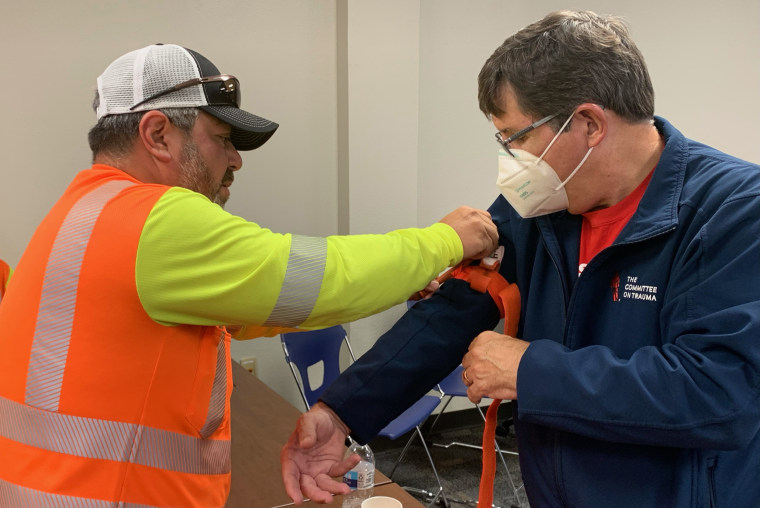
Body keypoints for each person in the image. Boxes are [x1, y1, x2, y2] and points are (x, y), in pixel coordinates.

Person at [281, 10, 760, 508]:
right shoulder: (541, 205)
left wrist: (531, 371)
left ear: (590, 123)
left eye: (516, 138)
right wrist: (340, 412)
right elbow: (453, 313)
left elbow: (720, 393)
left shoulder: (733, 211)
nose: (512, 162)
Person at [0, 43, 498, 507]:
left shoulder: (85, 208)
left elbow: (248, 305)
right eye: (221, 139)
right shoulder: (153, 219)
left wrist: (399, 284)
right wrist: (445, 240)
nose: (235, 159)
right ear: (157, 135)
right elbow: (315, 278)